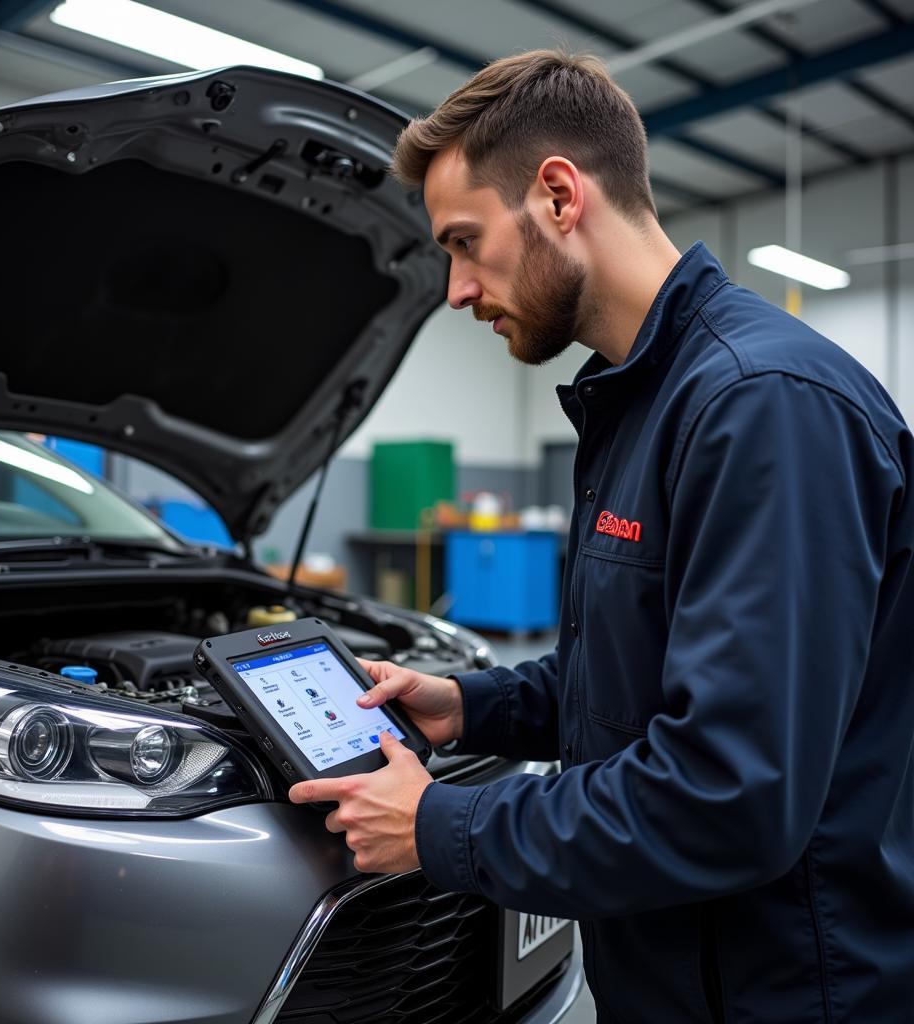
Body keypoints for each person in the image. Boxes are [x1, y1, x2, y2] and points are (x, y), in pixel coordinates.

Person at [288, 50, 914, 1022]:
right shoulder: (640, 405)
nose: (454, 290)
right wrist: (471, 703)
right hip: (672, 976)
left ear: (557, 195)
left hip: (780, 992)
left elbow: (727, 795)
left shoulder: (760, 407)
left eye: (463, 242)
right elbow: (638, 675)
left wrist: (440, 823)